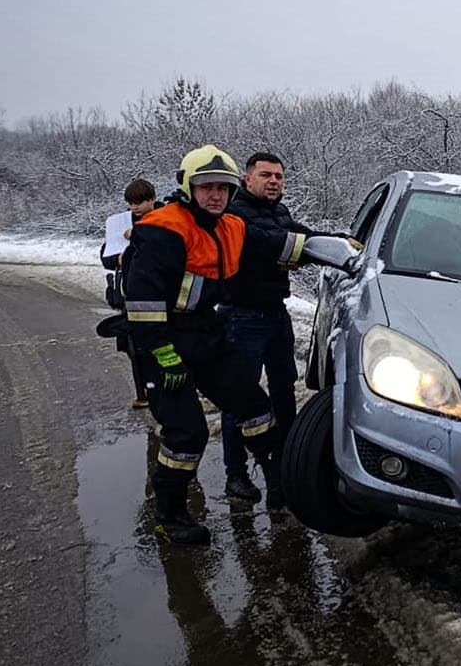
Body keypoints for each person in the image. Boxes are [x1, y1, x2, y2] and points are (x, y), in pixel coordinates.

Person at [124, 145, 311, 546]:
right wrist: (163, 355)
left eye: (222, 188)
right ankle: (170, 517)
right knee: (186, 434)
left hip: (205, 331)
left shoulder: (230, 225)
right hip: (161, 340)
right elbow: (142, 304)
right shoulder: (162, 229)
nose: (215, 195)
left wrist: (338, 249)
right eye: (206, 187)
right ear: (188, 188)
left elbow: (275, 244)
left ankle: (278, 484)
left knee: (255, 407)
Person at [218, 153, 323, 508]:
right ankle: (236, 475)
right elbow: (266, 243)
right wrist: (298, 249)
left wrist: (336, 243)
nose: (274, 181)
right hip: (241, 316)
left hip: (276, 313)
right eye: (265, 175)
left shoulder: (280, 212)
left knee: (283, 389)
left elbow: (297, 241)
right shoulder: (233, 214)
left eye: (279, 176)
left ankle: (286, 469)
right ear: (247, 179)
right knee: (240, 397)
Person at [99, 178, 160, 408]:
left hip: (156, 290)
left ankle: (159, 387)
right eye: (131, 203)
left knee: (158, 342)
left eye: (139, 203)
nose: (134, 208)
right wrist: (119, 258)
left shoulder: (166, 218)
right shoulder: (121, 223)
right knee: (133, 344)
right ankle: (144, 390)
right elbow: (106, 257)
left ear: (152, 200)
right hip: (129, 292)